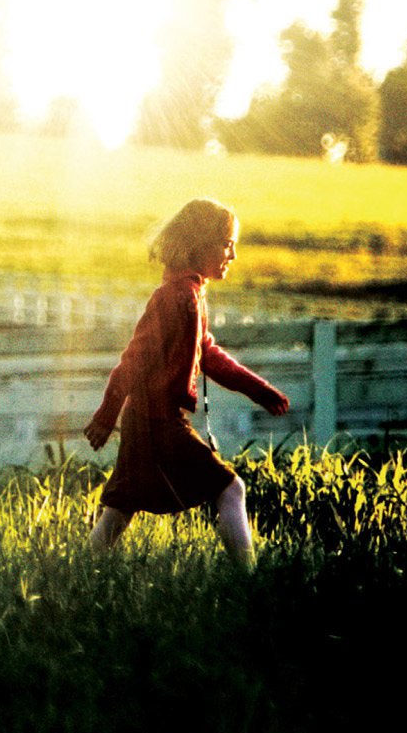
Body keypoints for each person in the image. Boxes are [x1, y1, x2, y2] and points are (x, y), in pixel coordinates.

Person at [83, 198, 290, 567]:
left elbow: (206, 353)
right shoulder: (175, 298)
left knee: (123, 506)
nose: (233, 255)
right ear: (200, 244)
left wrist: (257, 389)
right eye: (226, 244)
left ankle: (81, 569)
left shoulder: (190, 294)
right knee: (230, 489)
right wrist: (105, 415)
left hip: (146, 420)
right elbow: (133, 360)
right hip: (158, 422)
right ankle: (248, 576)